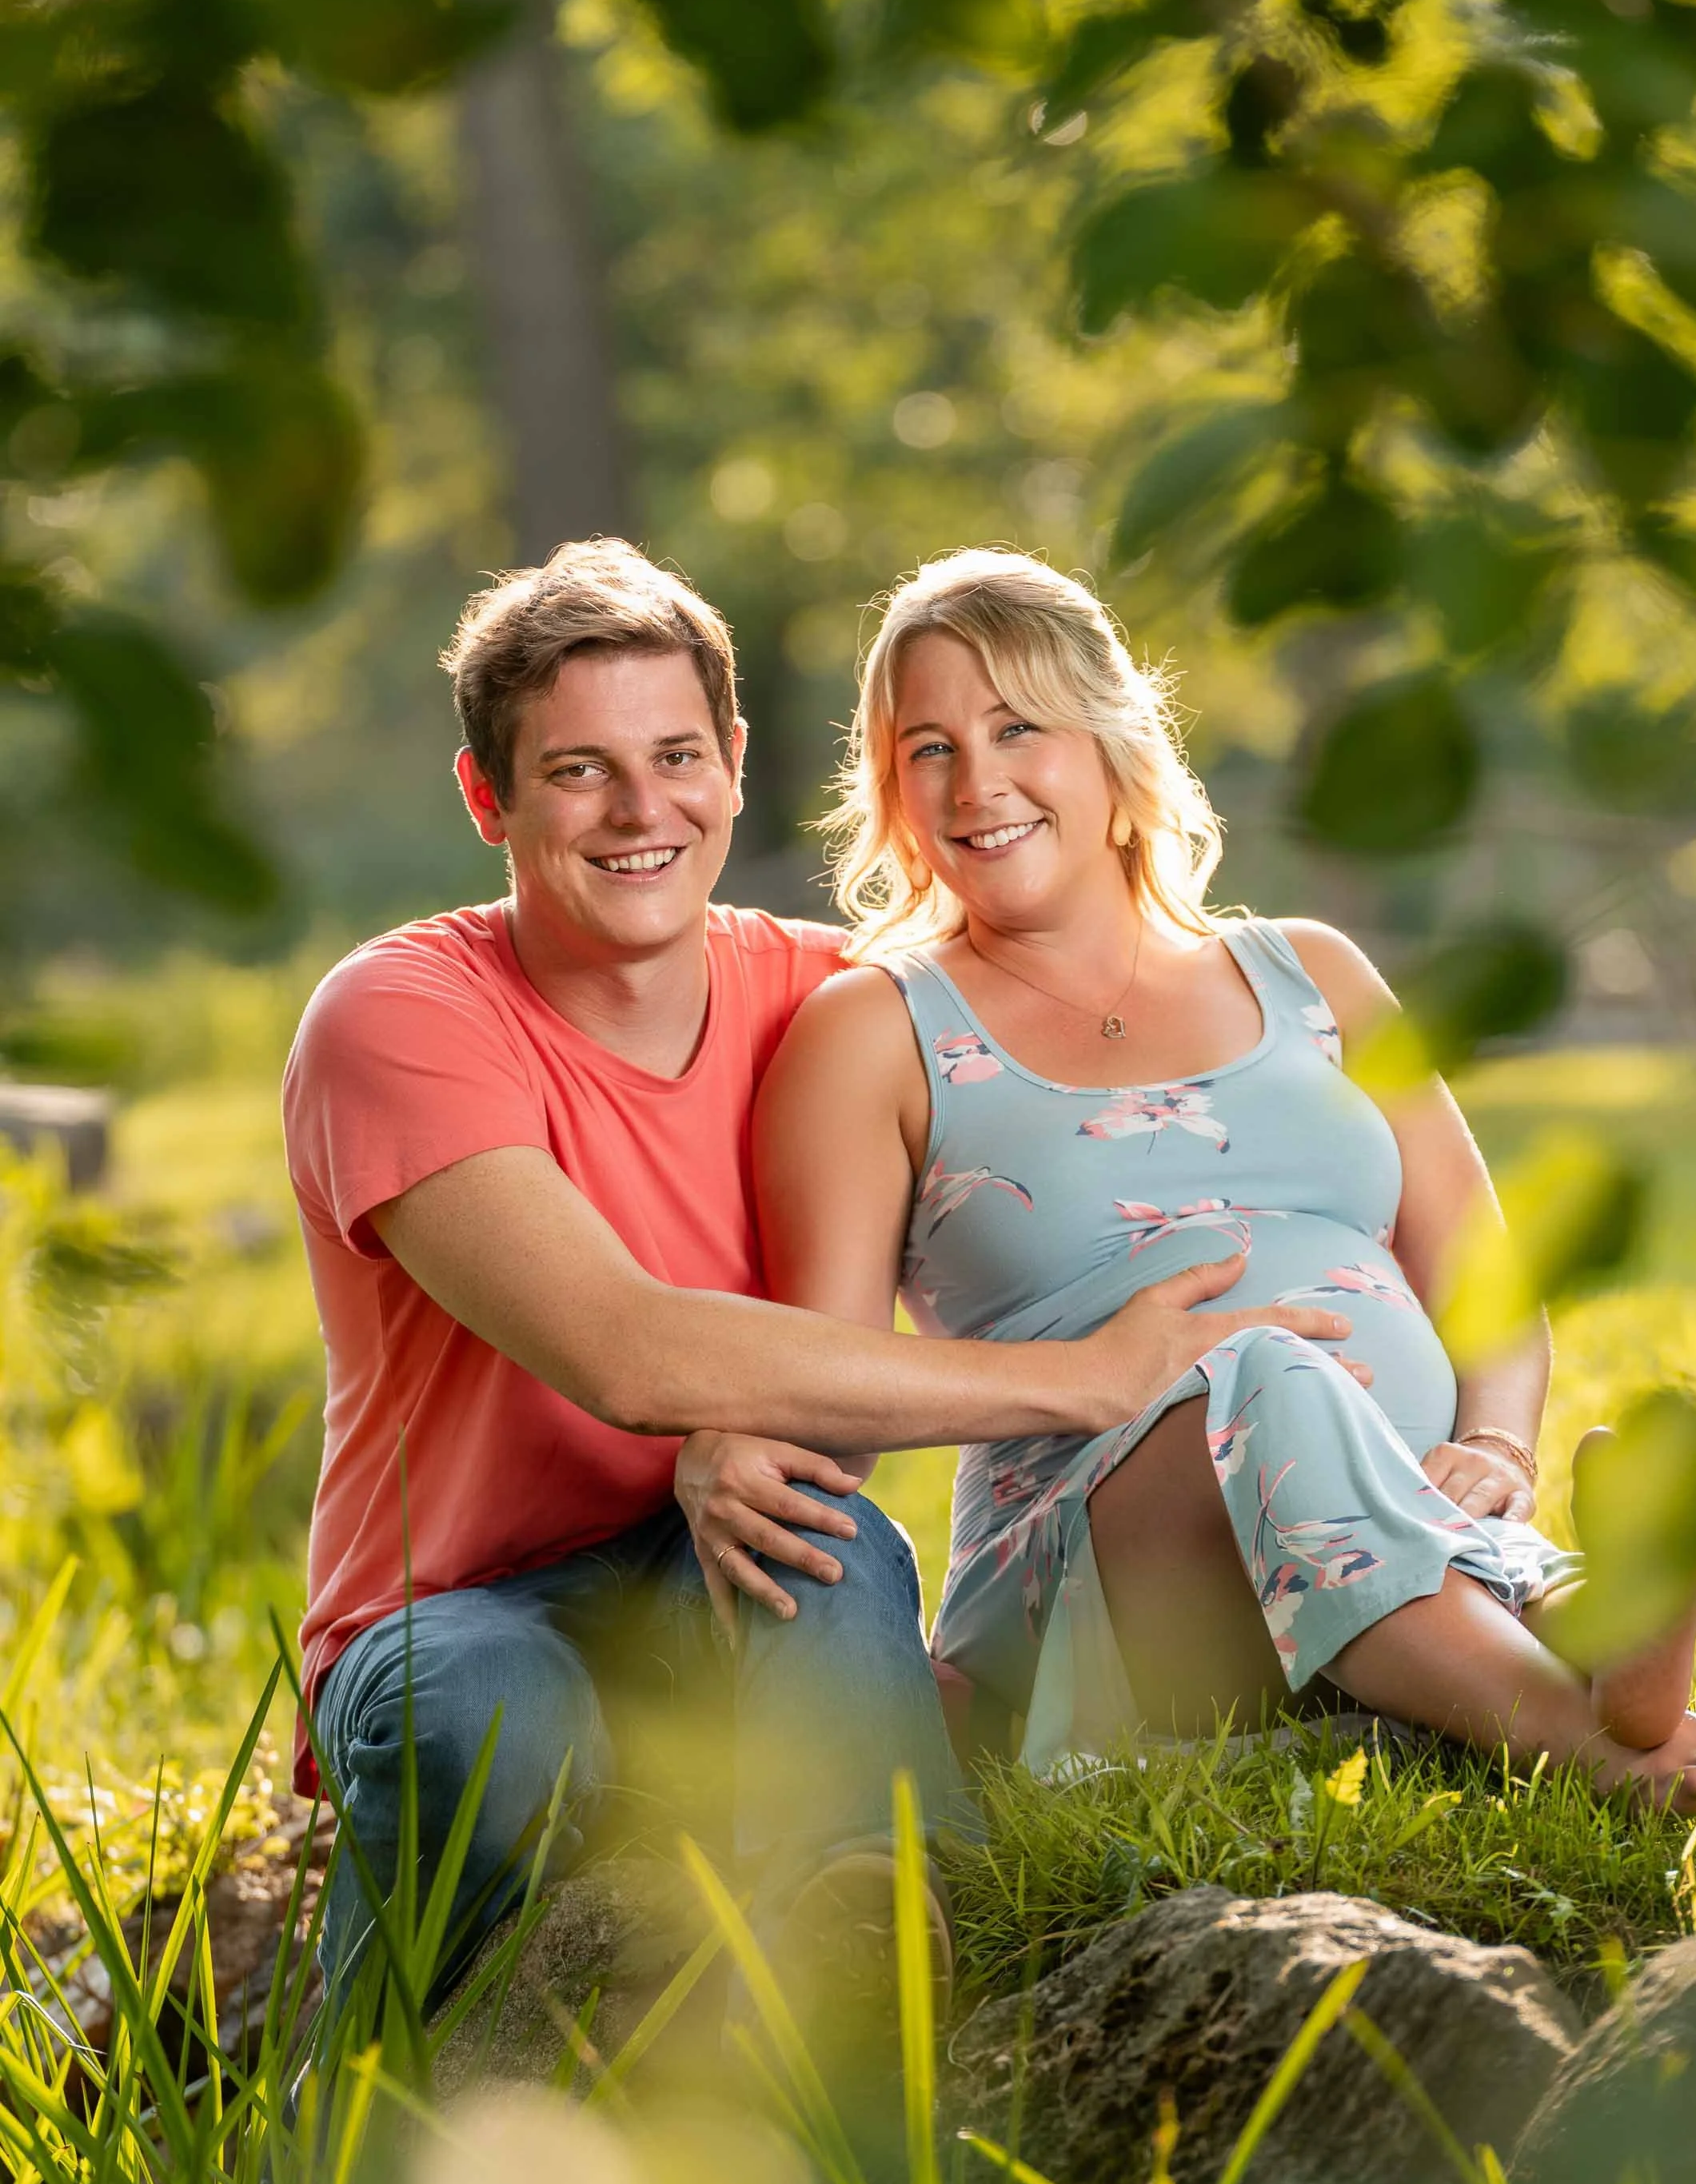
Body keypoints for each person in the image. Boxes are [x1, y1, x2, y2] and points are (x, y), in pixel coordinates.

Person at [281, 538, 1354, 2019]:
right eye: (580, 770)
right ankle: (370, 2116)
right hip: (459, 1607)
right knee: (489, 1719)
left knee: (828, 1550)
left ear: (732, 761)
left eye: (673, 755)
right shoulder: (398, 1018)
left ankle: (875, 1969)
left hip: (728, 1558)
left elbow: (1077, 1088)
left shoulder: (835, 1001)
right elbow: (629, 1352)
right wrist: (1082, 1377)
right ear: (490, 797)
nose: (642, 809)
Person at [722, 548, 1696, 1808]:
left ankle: (1575, 1633)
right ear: (891, 790)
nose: (977, 783)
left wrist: (1500, 1441)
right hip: (1105, 1568)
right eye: (929, 748)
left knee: (1298, 1395)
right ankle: (1595, 1730)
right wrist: (729, 1453)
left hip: (1408, 1507)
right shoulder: (875, 1030)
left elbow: (1484, 1277)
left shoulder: (1315, 973)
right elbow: (831, 1381)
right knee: (1261, 1364)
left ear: (1110, 747)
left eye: (1018, 726)